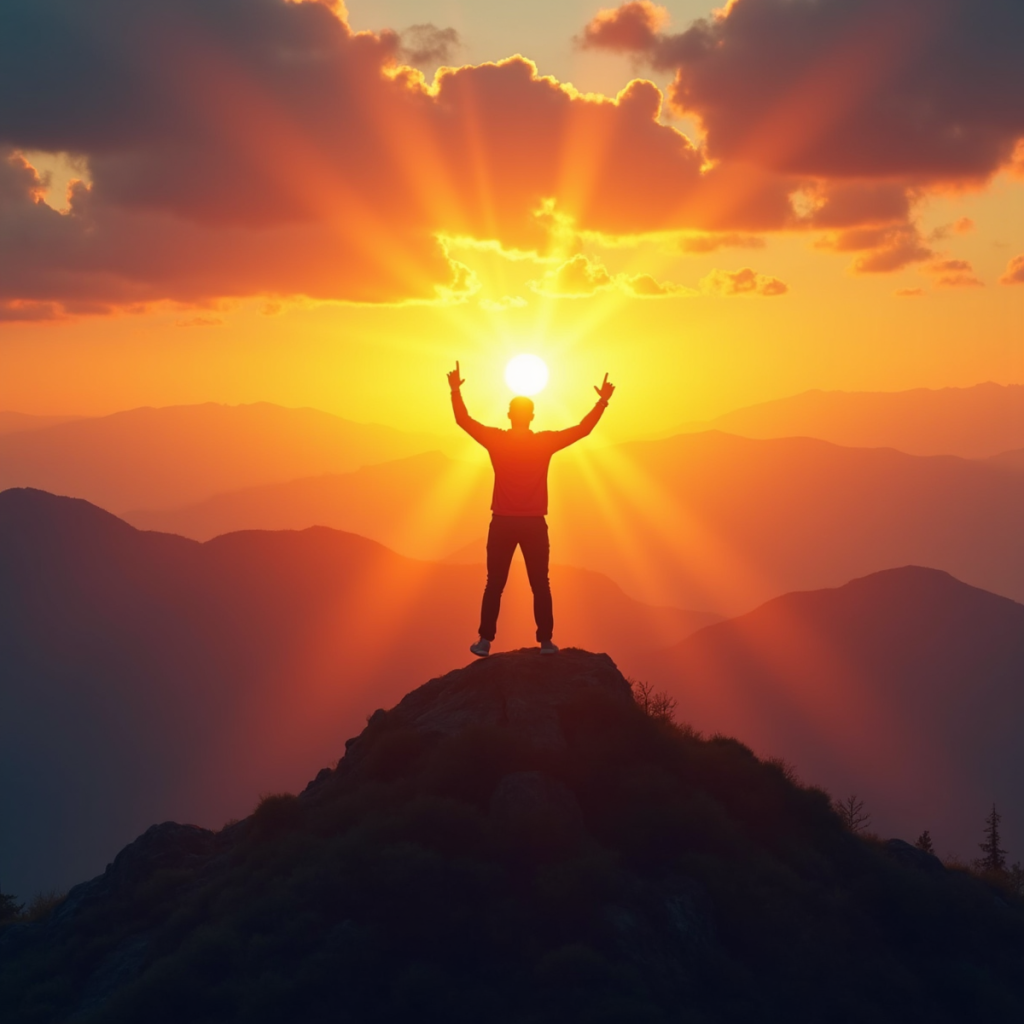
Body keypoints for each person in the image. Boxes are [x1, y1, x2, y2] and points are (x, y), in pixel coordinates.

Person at [447, 361, 615, 656]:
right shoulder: (544, 442)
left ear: (510, 415)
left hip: (502, 523)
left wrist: (455, 391)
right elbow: (582, 430)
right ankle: (546, 642)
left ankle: (485, 641)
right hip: (535, 523)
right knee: (540, 583)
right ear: (532, 416)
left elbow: (464, 421)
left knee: (494, 583)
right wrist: (602, 401)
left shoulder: (497, 440)